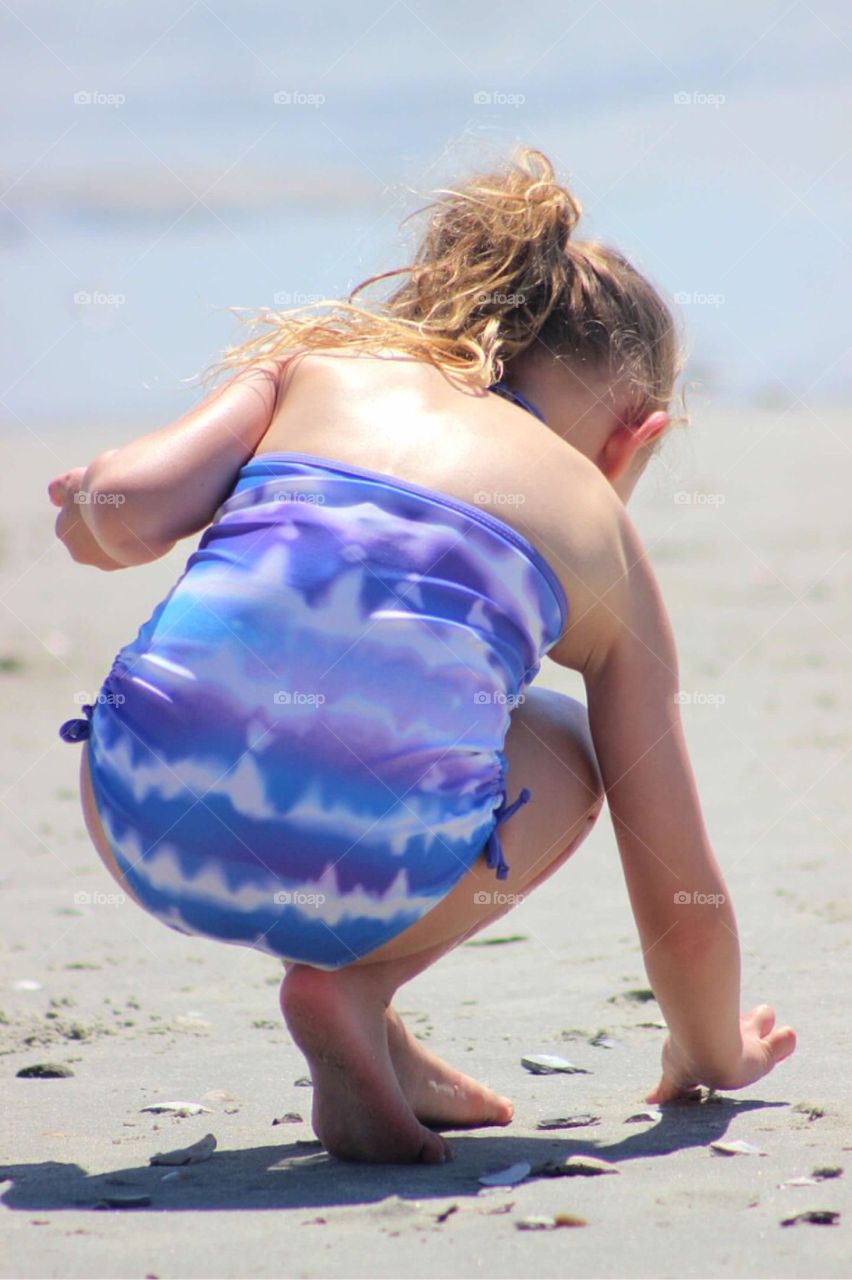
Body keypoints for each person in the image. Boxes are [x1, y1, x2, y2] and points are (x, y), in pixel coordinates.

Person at [50, 147, 796, 1165]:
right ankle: (352, 990)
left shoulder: (315, 372)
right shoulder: (597, 529)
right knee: (576, 750)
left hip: (137, 807)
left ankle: (378, 1043)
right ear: (635, 439)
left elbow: (127, 511)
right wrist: (713, 1047)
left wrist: (91, 506)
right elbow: (677, 877)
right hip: (377, 868)